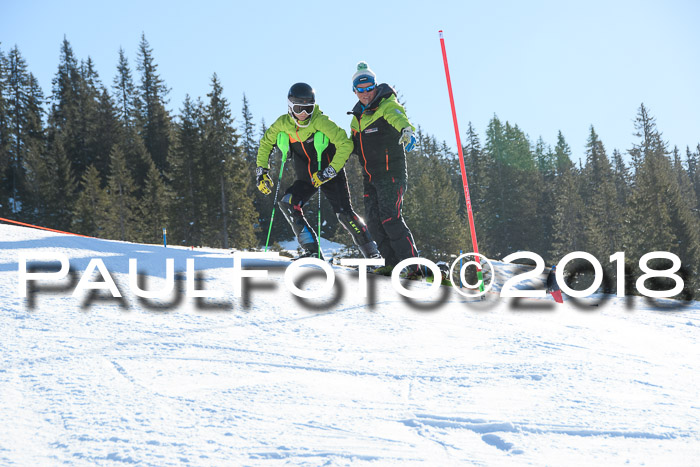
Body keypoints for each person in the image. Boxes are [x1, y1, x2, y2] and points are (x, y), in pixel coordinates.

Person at [256, 82, 380, 260]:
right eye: (299, 108)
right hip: (306, 178)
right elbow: (266, 143)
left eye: (308, 108)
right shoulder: (282, 124)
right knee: (288, 202)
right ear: (290, 106)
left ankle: (372, 253)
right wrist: (262, 171)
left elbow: (346, 144)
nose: (304, 114)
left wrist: (329, 171)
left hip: (329, 174)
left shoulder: (320, 121)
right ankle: (312, 251)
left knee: (344, 213)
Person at [348, 62, 420, 277]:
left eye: (369, 87)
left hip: (391, 174)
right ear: (354, 91)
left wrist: (406, 130)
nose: (365, 93)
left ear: (375, 86)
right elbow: (352, 145)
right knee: (373, 222)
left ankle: (414, 268)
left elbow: (398, 117)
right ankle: (391, 264)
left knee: (391, 218)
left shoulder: (387, 105)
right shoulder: (357, 117)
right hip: (370, 177)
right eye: (360, 89)